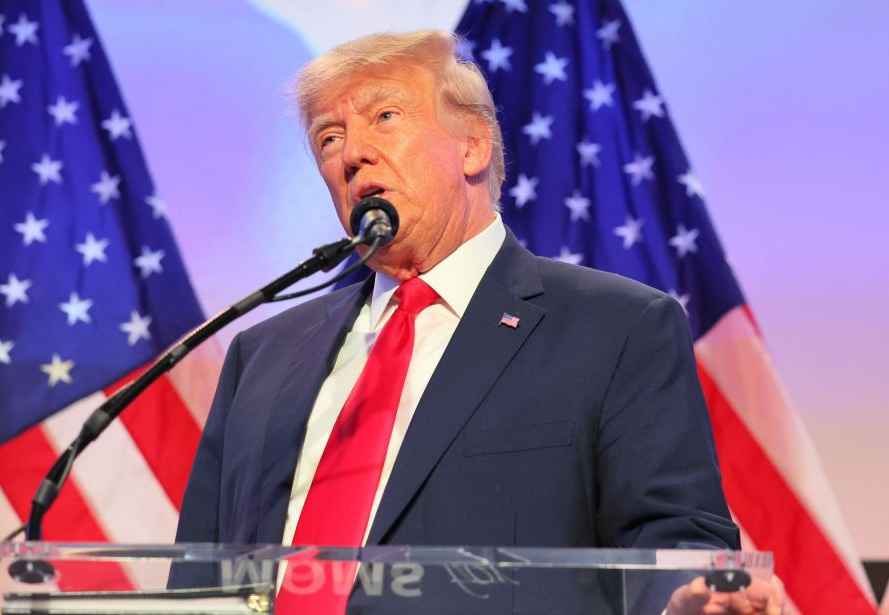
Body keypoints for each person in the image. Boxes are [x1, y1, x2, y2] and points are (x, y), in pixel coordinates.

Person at [176, 30, 783, 614]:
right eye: (329, 138)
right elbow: (198, 577)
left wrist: (691, 599)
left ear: (473, 145)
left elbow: (671, 537)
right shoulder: (263, 353)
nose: (353, 153)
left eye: (385, 117)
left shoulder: (616, 328)